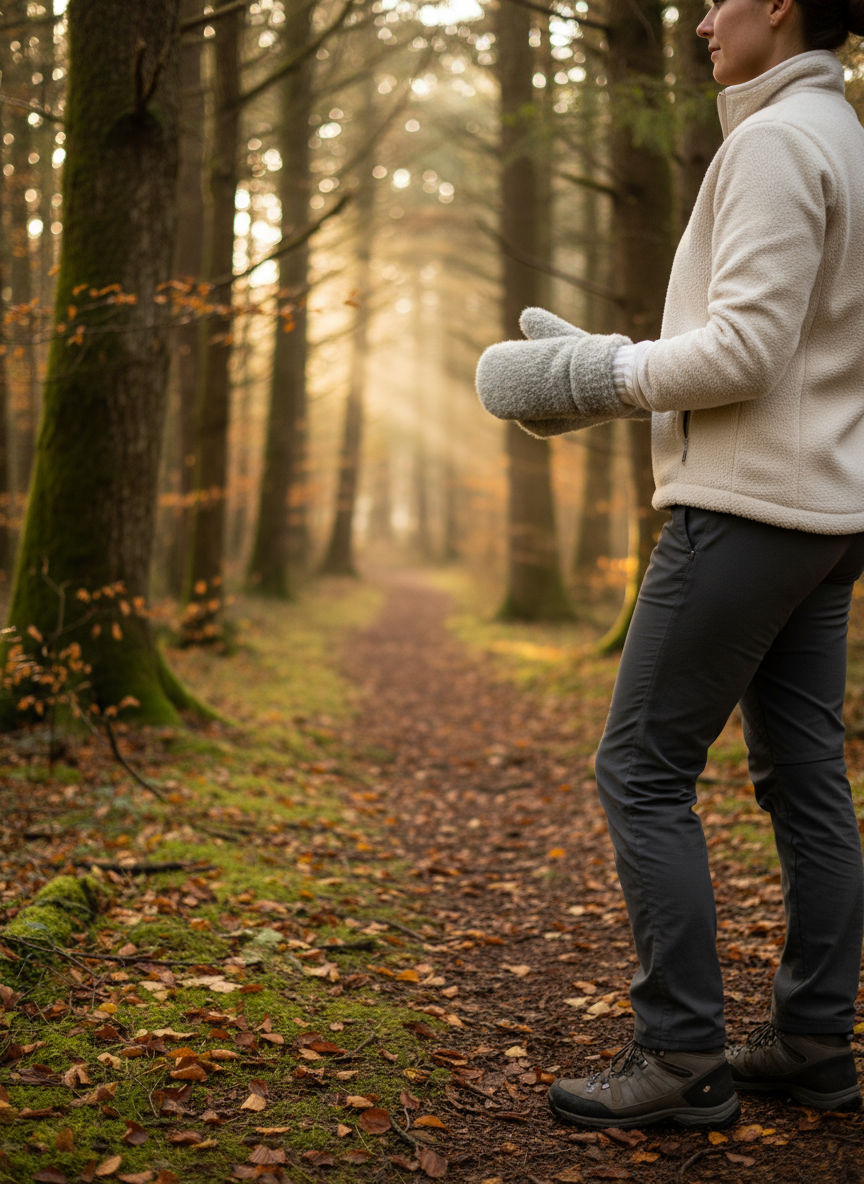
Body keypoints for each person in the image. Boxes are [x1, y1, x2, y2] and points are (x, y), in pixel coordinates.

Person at [476, 0, 864, 1130]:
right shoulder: (840, 134)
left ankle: (682, 1052)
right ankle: (811, 1040)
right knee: (807, 780)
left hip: (748, 510)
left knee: (641, 768)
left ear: (781, 6)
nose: (700, 20)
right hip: (827, 510)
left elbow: (745, 350)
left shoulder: (780, 142)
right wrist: (601, 355)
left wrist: (592, 374)